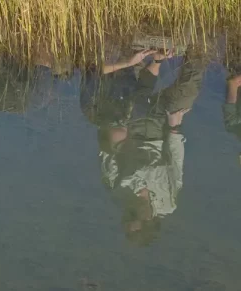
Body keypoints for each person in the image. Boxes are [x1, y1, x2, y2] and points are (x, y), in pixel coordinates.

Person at [80, 46, 202, 246]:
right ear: (150, 219)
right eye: (134, 217)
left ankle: (155, 60)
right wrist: (174, 128)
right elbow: (175, 163)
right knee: (185, 96)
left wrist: (115, 133)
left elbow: (107, 151)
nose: (130, 213)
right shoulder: (168, 202)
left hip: (131, 130)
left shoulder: (117, 191)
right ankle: (198, 50)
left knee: (133, 102)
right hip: (159, 132)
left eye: (127, 217)